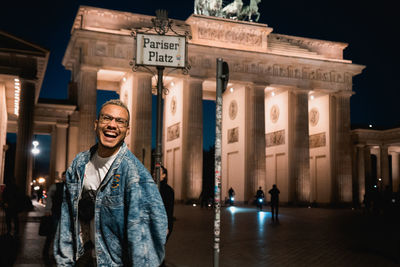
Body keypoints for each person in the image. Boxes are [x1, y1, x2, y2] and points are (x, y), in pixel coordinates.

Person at [54, 99, 168, 266]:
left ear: (127, 131)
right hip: (83, 260)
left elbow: (145, 239)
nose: (112, 125)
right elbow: (67, 218)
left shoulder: (135, 175)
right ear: (96, 124)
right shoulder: (79, 164)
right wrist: (64, 262)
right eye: (107, 118)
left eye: (120, 121)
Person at [42, 171, 66, 261]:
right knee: (53, 233)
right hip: (56, 213)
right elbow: (49, 198)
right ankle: (46, 250)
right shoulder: (55, 186)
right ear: (62, 177)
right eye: (65, 176)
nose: (66, 178)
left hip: (66, 215)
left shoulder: (72, 187)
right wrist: (48, 209)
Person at [159, 166, 174, 267]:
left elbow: (169, 210)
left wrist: (167, 226)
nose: (154, 173)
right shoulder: (151, 186)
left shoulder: (168, 190)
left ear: (164, 175)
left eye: (158, 171)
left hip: (163, 225)